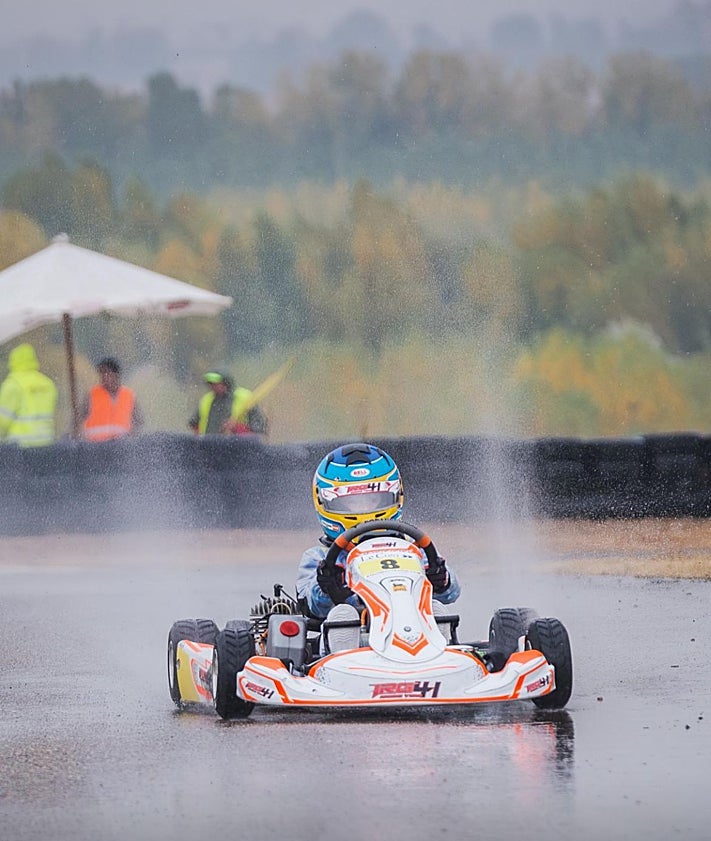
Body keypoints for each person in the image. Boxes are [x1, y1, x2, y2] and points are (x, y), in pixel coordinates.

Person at [296, 442, 460, 651]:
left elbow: (451, 593)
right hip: (353, 646)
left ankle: (440, 657)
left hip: (415, 636)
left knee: (437, 610)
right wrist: (327, 587)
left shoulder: (413, 550)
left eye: (373, 500)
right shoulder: (319, 557)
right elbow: (313, 606)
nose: (364, 510)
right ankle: (344, 664)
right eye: (353, 503)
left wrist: (441, 579)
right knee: (343, 615)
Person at [0, 343, 58, 447]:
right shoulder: (48, 383)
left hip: (19, 448)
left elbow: (2, 422)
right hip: (46, 445)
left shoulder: (12, 384)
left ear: (12, 361)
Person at [81, 357, 144, 441]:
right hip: (96, 447)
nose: (103, 377)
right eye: (101, 373)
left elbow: (138, 421)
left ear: (116, 375)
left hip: (121, 447)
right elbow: (77, 419)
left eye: (107, 373)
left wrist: (131, 438)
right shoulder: (91, 395)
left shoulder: (129, 396)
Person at [188, 370, 267, 436]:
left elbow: (260, 430)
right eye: (210, 383)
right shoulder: (206, 400)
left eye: (215, 383)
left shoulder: (245, 398)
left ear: (225, 383)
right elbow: (194, 424)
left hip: (238, 450)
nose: (212, 386)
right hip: (208, 449)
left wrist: (236, 427)